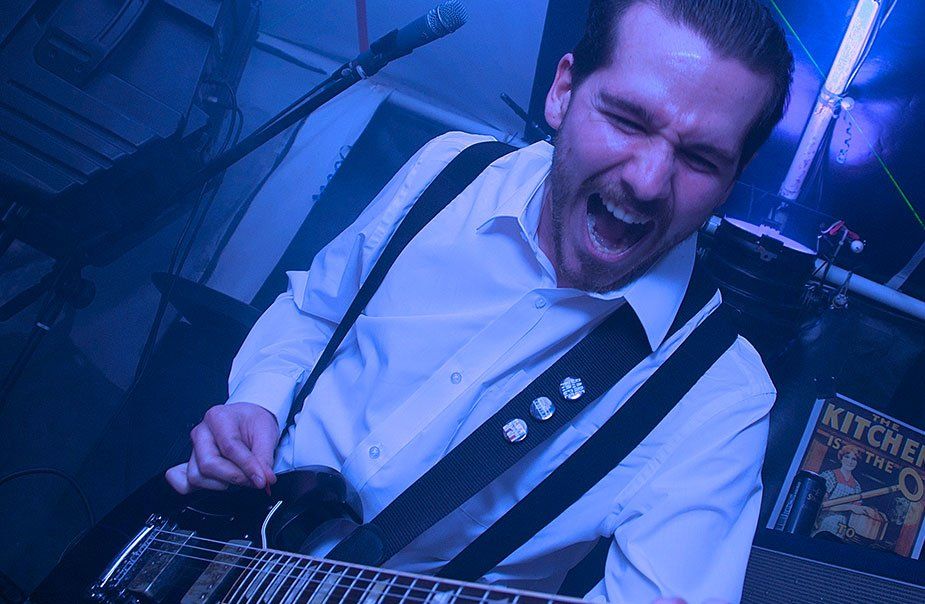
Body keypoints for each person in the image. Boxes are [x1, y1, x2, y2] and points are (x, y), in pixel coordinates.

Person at [166, 0, 793, 601]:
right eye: (628, 119)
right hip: (215, 538)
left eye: (701, 158)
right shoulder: (451, 171)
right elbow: (318, 312)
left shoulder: (719, 399)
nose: (649, 180)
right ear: (563, 92)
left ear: (731, 184)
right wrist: (259, 402)